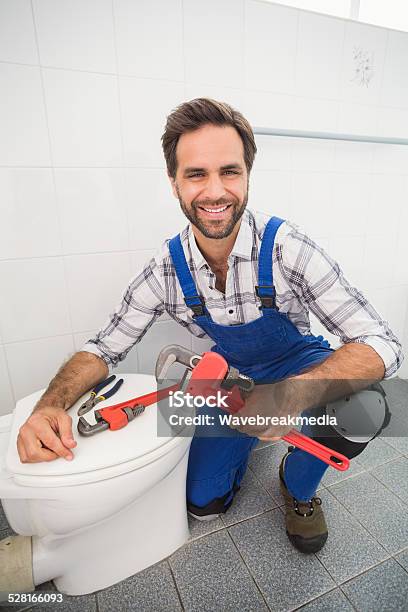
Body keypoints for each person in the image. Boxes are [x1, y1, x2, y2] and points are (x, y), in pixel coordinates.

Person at [16, 98, 403, 553]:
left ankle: (298, 486)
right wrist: (49, 406)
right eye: (196, 174)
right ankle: (251, 441)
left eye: (230, 172)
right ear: (174, 182)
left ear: (247, 176)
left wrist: (291, 394)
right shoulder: (165, 269)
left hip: (300, 364)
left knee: (365, 409)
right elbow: (103, 348)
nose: (215, 192)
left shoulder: (288, 249)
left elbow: (383, 343)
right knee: (204, 504)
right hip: (233, 385)